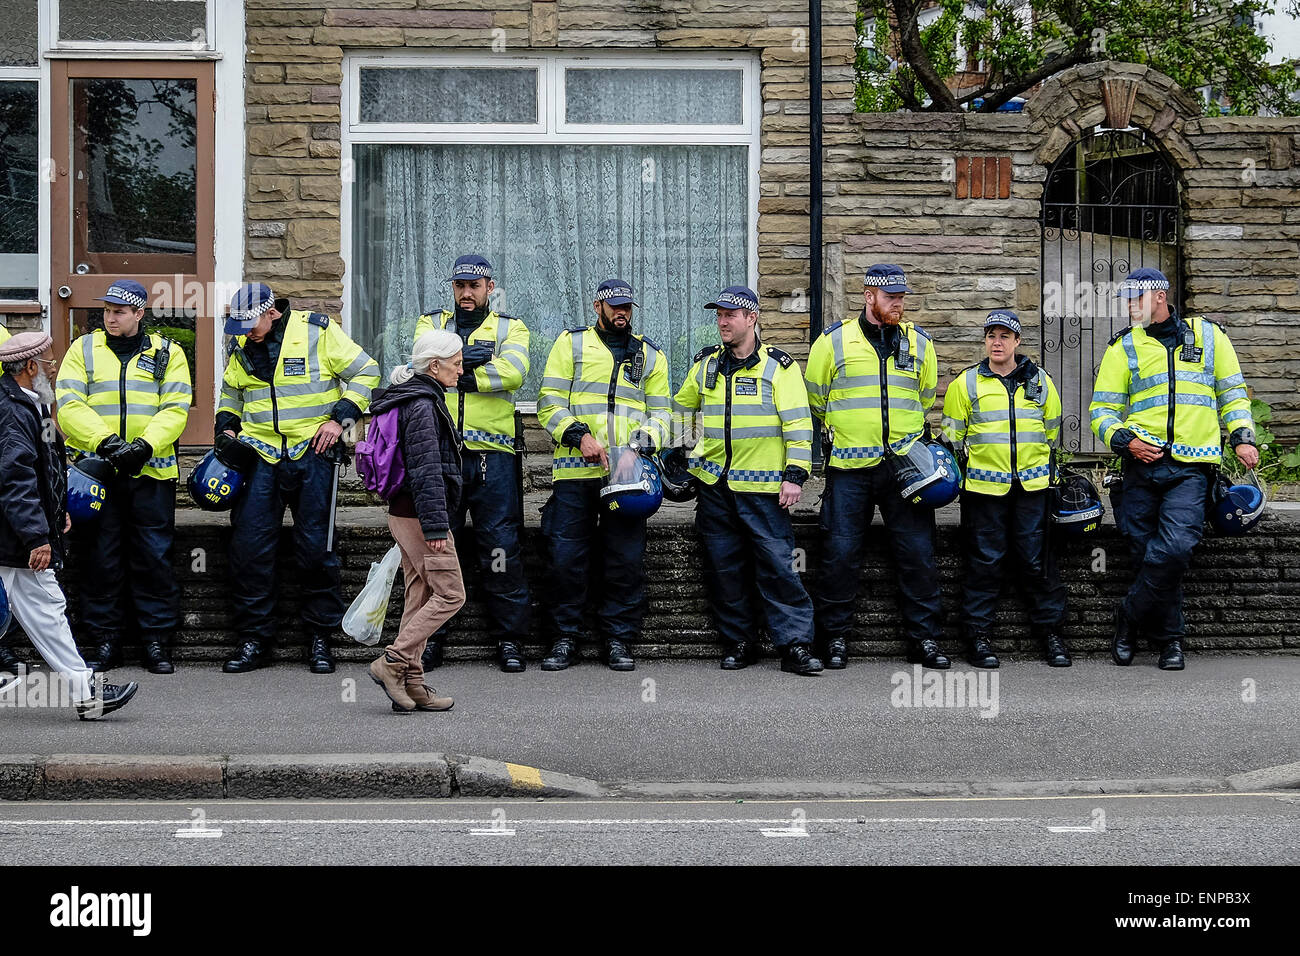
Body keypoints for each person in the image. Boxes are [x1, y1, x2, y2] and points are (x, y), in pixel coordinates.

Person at [1090, 267, 1257, 670]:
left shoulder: (1209, 337)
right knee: (1149, 553)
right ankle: (1170, 643)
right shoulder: (1123, 347)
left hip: (1191, 466)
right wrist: (1125, 440)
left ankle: (1128, 619)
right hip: (1140, 468)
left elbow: (1231, 391)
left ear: (1160, 296)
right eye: (1127, 301)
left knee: (1176, 549)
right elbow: (1101, 410)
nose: (1130, 308)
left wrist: (1242, 436)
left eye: (1137, 300)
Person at [216, 283, 380, 673]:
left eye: (250, 323)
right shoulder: (238, 338)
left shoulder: (316, 330)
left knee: (316, 550)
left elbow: (366, 372)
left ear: (271, 311)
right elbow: (231, 392)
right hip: (260, 456)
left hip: (314, 453)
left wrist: (339, 419)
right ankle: (254, 640)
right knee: (250, 550)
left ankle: (320, 639)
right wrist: (226, 425)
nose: (243, 332)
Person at [670, 285, 822, 674]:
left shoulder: (779, 367)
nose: (722, 321)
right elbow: (677, 412)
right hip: (715, 486)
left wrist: (795, 475)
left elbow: (800, 425)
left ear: (751, 318)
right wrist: (656, 445)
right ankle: (740, 642)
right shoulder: (706, 366)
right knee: (725, 568)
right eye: (718, 315)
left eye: (730, 315)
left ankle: (795, 647)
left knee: (779, 567)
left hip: (764, 487)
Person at [805, 263, 948, 669]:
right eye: (891, 298)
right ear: (868, 297)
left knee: (918, 554)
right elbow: (816, 398)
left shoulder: (920, 342)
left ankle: (926, 641)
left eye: (902, 297)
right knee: (839, 554)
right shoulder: (832, 342)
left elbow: (924, 398)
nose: (898, 304)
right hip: (850, 467)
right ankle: (833, 640)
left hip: (906, 467)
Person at [55, 279, 192, 674]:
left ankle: (156, 641)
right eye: (107, 311)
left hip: (152, 473)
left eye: (119, 311)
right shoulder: (83, 350)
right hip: (97, 473)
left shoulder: (169, 353)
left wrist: (145, 446)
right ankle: (104, 641)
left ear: (139, 314)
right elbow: (69, 404)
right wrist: (108, 444)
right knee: (101, 557)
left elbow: (176, 407)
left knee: (154, 557)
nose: (111, 317)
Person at [535, 279, 671, 671]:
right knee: (565, 558)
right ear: (598, 306)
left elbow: (664, 413)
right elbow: (549, 402)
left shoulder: (650, 355)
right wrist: (579, 436)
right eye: (614, 307)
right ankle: (564, 639)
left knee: (624, 560)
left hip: (627, 476)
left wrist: (642, 445)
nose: (622, 313)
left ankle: (618, 640)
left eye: (627, 306)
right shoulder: (571, 344)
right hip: (575, 471)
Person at [0, 332, 137, 719]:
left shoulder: (33, 402)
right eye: (48, 361)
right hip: (14, 538)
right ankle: (87, 694)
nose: (54, 366)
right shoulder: (12, 412)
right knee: (46, 611)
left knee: (48, 610)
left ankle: (87, 694)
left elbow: (47, 467)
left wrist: (57, 509)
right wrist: (36, 536)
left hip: (18, 536)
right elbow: (15, 481)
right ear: (29, 368)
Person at [410, 255, 531, 672]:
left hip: (491, 457)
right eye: (460, 285)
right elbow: (421, 366)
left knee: (500, 547)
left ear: (489, 287)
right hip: (440, 454)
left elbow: (514, 372)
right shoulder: (430, 323)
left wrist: (455, 372)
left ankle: (509, 641)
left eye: (474, 285)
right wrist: (473, 359)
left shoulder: (510, 327)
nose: (466, 293)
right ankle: (430, 640)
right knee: (438, 547)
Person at [941, 310, 1070, 668]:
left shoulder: (1042, 382)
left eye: (1004, 336)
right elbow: (951, 439)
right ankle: (978, 639)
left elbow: (1051, 432)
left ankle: (1052, 636)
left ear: (1017, 341)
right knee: (984, 563)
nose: (996, 342)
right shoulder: (966, 384)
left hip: (1032, 487)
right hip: (984, 490)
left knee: (1036, 563)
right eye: (991, 336)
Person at [365, 330, 465, 712]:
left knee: (419, 596)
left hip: (404, 513)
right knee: (452, 594)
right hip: (421, 516)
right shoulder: (423, 403)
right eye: (455, 363)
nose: (460, 369)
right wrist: (436, 525)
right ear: (434, 365)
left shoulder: (412, 396)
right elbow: (426, 470)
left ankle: (414, 684)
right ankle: (392, 662)